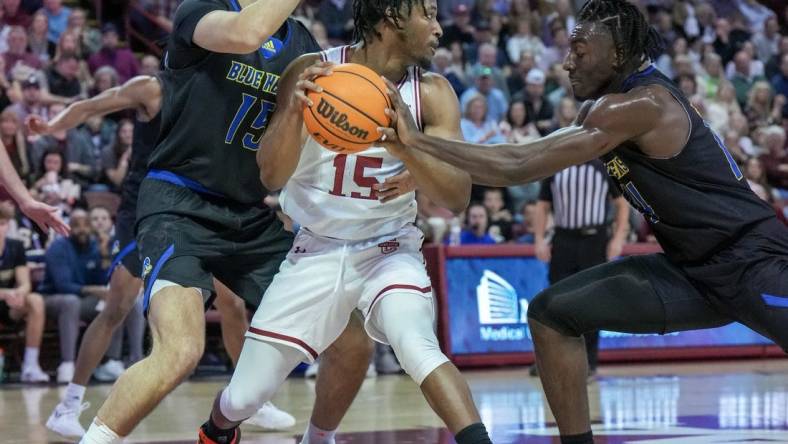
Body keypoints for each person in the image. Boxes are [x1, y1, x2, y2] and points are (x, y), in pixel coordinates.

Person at [378, 1, 788, 443]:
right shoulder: (603, 109)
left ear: (617, 53)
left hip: (754, 260)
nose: (566, 61)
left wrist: (418, 143)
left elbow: (518, 164)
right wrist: (418, 162)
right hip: (690, 271)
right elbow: (516, 161)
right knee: (552, 315)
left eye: (579, 49)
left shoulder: (642, 104)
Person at [78, 1, 381, 443]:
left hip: (248, 212)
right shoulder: (201, 10)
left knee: (352, 339)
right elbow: (245, 34)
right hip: (177, 202)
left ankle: (315, 439)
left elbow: (314, 132)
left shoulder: (301, 43)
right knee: (180, 351)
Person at [199, 1, 492, 444]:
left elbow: (457, 195)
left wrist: (410, 149)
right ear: (392, 17)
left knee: (416, 343)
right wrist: (295, 114)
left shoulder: (431, 92)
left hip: (389, 249)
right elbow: (271, 176)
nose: (438, 29)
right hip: (315, 247)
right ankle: (216, 430)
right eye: (428, 15)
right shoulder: (313, 72)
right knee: (244, 398)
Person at [29, 74, 295, 437]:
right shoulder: (153, 87)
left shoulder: (216, 90)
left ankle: (248, 399)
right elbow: (94, 104)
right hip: (144, 209)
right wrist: (53, 124)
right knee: (117, 306)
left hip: (192, 213)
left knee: (232, 304)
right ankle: (69, 404)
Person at [530, 159, 629, 377]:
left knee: (593, 302)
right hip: (563, 239)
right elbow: (542, 205)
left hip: (595, 240)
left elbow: (621, 203)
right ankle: (551, 361)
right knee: (555, 301)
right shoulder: (555, 165)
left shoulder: (605, 165)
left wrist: (619, 238)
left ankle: (589, 363)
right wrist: (539, 239)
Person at [0, 201, 49, 382]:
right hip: (5, 297)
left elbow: (25, 283)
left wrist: (19, 293)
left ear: (9, 225)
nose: (0, 229)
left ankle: (30, 365)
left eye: (3, 224)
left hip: (9, 305)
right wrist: (6, 293)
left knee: (35, 300)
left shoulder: (16, 246)